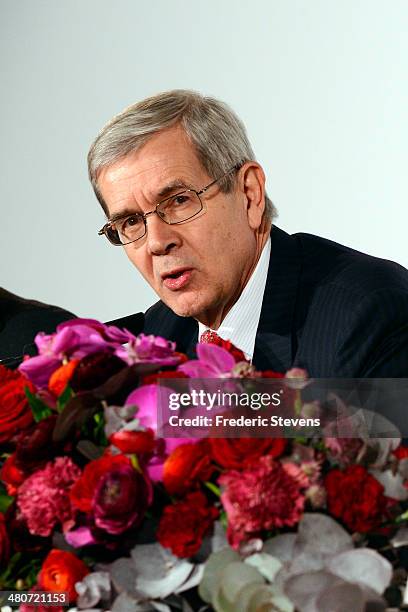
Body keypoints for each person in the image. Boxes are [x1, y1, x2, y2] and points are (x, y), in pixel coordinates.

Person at [88, 90, 408, 376]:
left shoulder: (371, 311)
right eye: (130, 222)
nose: (157, 242)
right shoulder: (154, 342)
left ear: (249, 193)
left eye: (179, 201)